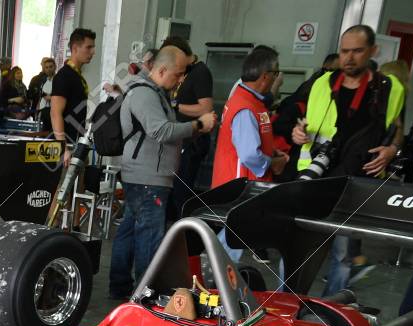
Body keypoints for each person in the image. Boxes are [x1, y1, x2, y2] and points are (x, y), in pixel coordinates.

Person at [289, 25, 404, 296]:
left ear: (372, 51)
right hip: (316, 177)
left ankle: (332, 308)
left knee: (342, 254)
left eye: (357, 51)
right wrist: (297, 134)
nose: (349, 58)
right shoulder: (322, 84)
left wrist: (392, 150)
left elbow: (398, 127)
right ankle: (288, 303)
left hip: (357, 181)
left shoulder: (388, 88)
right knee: (300, 248)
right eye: (344, 51)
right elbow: (305, 124)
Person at [107, 45, 213, 298]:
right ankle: (145, 295)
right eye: (178, 74)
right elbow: (161, 131)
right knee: (149, 236)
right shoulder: (145, 94)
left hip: (144, 175)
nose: (180, 79)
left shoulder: (151, 92)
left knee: (131, 230)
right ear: (162, 69)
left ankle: (121, 287)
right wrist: (197, 124)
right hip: (148, 178)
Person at [212, 45, 286, 260]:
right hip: (240, 184)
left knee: (231, 241)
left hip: (240, 183)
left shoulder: (249, 100)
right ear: (265, 76)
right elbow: (249, 155)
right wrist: (274, 162)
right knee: (230, 245)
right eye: (276, 73)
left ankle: (216, 284)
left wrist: (272, 150)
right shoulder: (245, 106)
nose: (277, 79)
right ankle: (215, 287)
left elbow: (250, 140)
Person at [160, 36, 214, 222]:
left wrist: (175, 107)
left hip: (193, 141)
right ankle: (171, 231)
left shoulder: (200, 72)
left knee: (182, 192)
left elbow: (206, 108)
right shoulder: (185, 72)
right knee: (172, 190)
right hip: (179, 138)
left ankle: (185, 234)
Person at [47, 28, 96, 146]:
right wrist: (63, 148)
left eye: (93, 47)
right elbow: (55, 113)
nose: (93, 52)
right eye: (88, 47)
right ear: (75, 48)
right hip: (65, 146)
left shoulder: (76, 76)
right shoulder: (64, 76)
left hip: (75, 142)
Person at [27, 57, 55, 121]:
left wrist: (51, 98)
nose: (48, 69)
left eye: (50, 67)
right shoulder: (43, 80)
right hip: (41, 110)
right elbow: (40, 95)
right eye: (46, 67)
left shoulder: (58, 80)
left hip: (52, 111)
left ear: (54, 67)